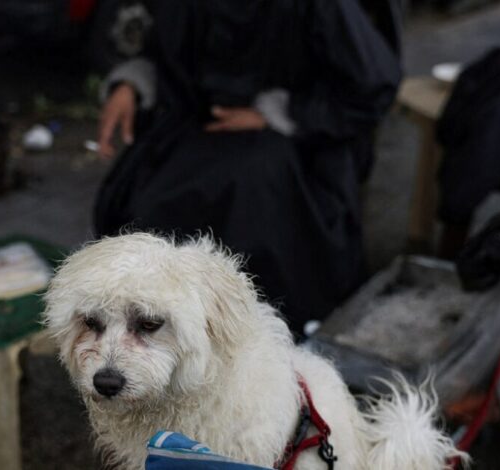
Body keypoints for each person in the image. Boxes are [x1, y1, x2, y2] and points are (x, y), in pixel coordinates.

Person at [94, 0, 401, 335]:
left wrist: (279, 112)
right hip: (195, 128)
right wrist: (132, 83)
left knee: (251, 220)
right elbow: (164, 50)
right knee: (146, 216)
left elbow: (372, 85)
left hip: (296, 145)